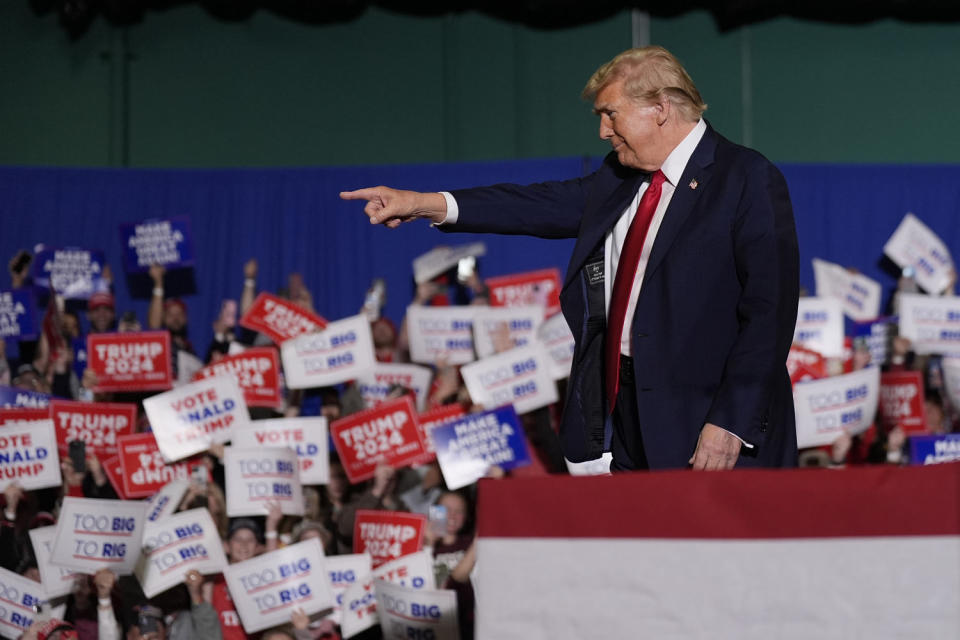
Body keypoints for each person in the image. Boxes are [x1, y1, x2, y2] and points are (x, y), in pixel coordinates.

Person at [341, 45, 800, 471]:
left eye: (610, 113)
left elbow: (769, 316)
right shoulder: (620, 178)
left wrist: (731, 423)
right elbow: (533, 205)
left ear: (659, 108)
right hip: (626, 422)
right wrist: (423, 203)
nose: (602, 130)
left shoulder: (745, 179)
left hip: (709, 426)